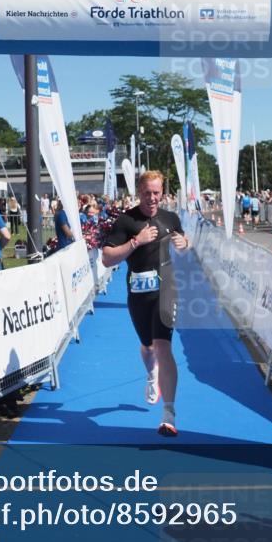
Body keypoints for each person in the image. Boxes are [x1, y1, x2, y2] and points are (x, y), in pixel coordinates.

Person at [101, 170, 189, 436]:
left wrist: (184, 243)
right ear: (139, 192)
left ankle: (169, 414)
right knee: (148, 347)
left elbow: (184, 245)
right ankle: (152, 376)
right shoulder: (126, 220)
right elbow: (107, 258)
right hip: (138, 293)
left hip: (166, 291)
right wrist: (136, 242)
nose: (152, 198)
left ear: (163, 193)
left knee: (163, 347)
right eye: (148, 192)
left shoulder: (170, 218)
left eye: (157, 192)